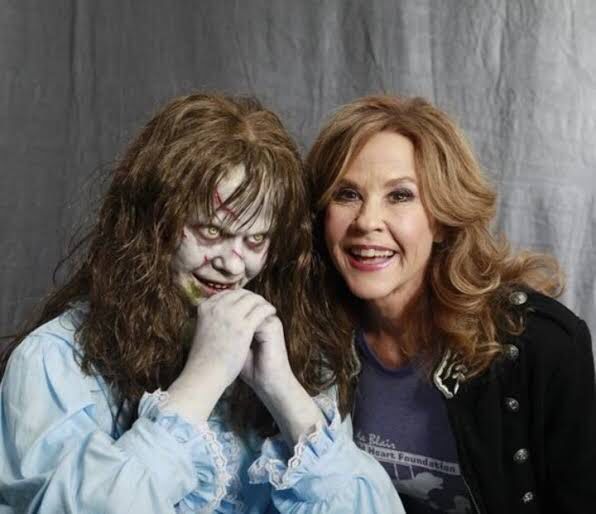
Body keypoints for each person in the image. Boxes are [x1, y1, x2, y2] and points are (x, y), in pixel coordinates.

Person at [0, 93, 405, 513]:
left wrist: (283, 391)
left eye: (255, 239)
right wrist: (202, 380)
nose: (232, 264)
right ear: (154, 223)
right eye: (211, 231)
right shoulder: (54, 360)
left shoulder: (298, 355)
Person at [305, 94, 596, 513]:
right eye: (347, 194)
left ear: (442, 218)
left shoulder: (543, 344)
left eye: (400, 195)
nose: (367, 221)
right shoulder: (308, 335)